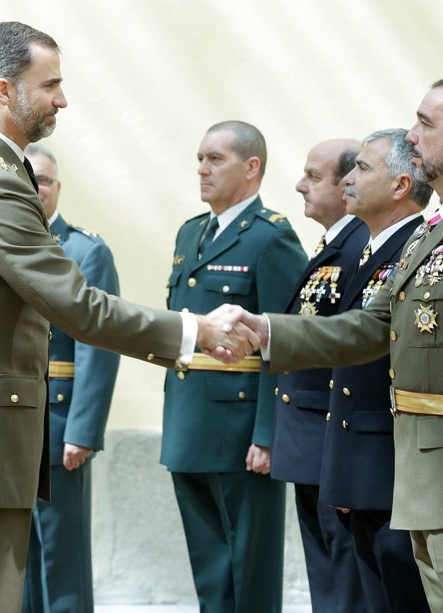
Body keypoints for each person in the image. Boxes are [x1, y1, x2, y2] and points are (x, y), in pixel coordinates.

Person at [0, 22, 253, 613]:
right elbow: (77, 305)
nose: (62, 99)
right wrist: (196, 329)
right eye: (50, 84)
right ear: (4, 90)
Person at [210, 77, 443, 612]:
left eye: (425, 124)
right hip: (421, 476)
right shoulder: (437, 227)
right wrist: (267, 330)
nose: (411, 136)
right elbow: (368, 327)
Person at [163, 120, 306, 612]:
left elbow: (285, 344)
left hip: (242, 430)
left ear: (251, 167)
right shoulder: (190, 234)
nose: (202, 169)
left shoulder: (271, 237)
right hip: (189, 423)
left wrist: (268, 434)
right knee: (210, 567)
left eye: (215, 159)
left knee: (251, 567)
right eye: (200, 159)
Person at [320, 128, 431, 612]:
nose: (348, 179)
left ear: (401, 185)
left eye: (362, 168)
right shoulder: (368, 247)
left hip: (391, 472)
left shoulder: (416, 249)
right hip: (362, 471)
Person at [20, 144, 120, 613]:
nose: (35, 188)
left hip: (59, 426)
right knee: (17, 558)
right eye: (26, 178)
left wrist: (82, 431)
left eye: (43, 180)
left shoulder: (85, 251)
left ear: (57, 187)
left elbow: (98, 346)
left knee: (62, 557)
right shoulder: (4, 246)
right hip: (8, 425)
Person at [269, 138, 368, 612]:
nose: (299, 185)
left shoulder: (361, 248)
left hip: (333, 441)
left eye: (312, 176)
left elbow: (356, 352)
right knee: (328, 581)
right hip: (310, 443)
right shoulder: (335, 244)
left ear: (347, 183)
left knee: (345, 583)